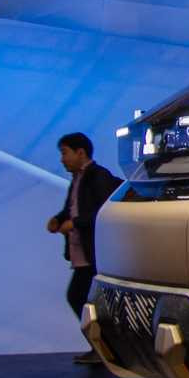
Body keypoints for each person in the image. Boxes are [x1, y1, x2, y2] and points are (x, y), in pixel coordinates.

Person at [46, 133, 123, 364]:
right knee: (84, 300)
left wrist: (74, 224)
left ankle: (105, 348)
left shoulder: (98, 176)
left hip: (95, 253)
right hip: (83, 254)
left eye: (65, 153)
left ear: (81, 152)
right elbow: (72, 209)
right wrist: (59, 219)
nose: (62, 159)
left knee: (79, 297)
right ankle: (103, 348)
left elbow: (103, 211)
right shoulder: (78, 179)